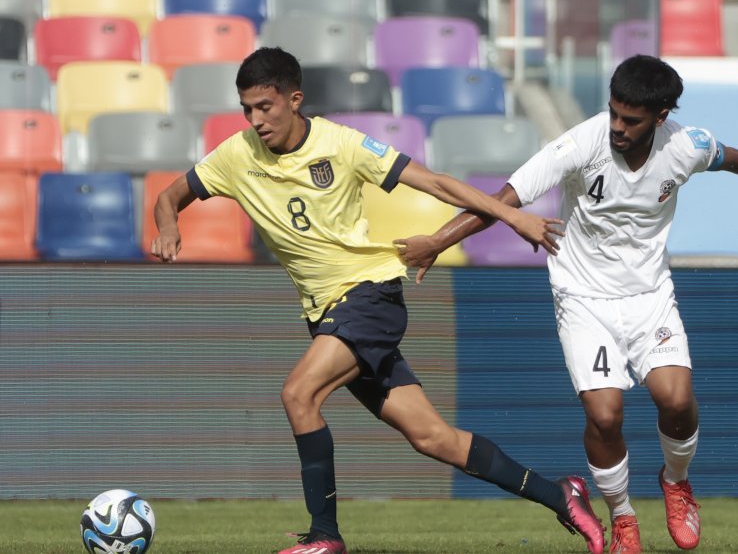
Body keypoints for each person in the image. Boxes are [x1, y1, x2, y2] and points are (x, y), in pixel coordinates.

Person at [150, 47, 606, 554]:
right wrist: (168, 226)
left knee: (299, 394)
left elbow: (435, 183)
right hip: (328, 313)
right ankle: (561, 495)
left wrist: (514, 216)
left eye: (265, 107)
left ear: (294, 99)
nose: (255, 120)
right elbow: (169, 196)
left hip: (368, 297)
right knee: (433, 438)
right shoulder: (237, 155)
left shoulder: (341, 145)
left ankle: (325, 536)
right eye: (247, 109)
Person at [399, 54, 738, 554]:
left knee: (677, 400)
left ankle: (676, 481)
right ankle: (622, 514)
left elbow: (727, 157)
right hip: (583, 297)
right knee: (606, 414)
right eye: (613, 112)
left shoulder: (686, 145)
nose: (617, 126)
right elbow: (502, 199)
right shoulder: (580, 144)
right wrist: (438, 241)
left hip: (649, 295)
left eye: (630, 119)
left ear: (661, 116)